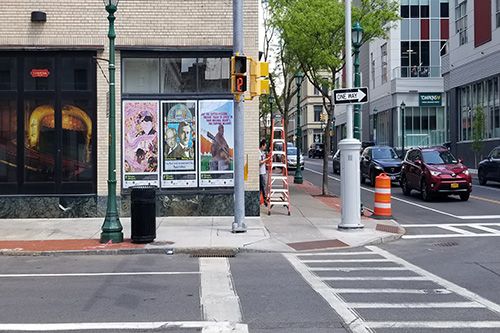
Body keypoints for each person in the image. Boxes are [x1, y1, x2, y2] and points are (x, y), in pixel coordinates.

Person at [259, 139, 270, 207]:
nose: (265, 147)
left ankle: (262, 200)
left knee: (261, 187)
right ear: (262, 145)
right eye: (264, 146)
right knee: (263, 186)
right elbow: (259, 162)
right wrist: (266, 160)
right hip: (261, 172)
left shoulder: (262, 152)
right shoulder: (259, 152)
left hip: (263, 171)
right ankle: (265, 200)